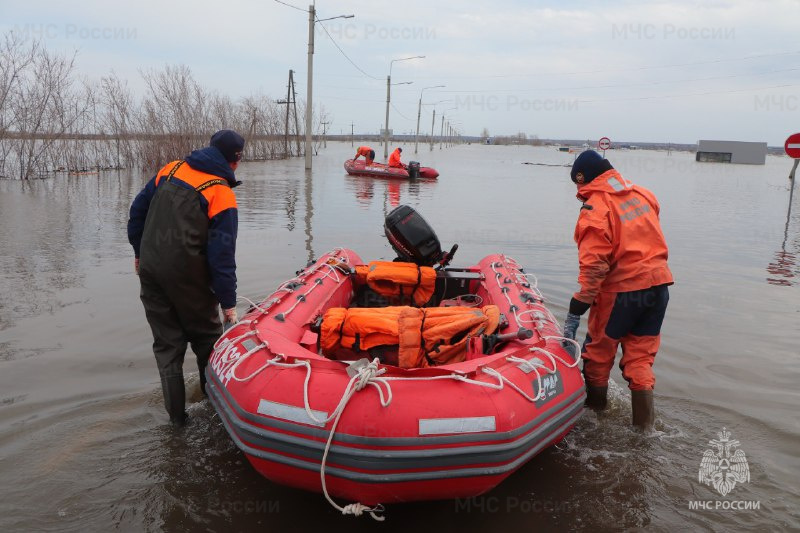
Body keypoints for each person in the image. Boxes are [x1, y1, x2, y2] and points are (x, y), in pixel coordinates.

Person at [128, 130, 245, 426]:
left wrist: (140, 253)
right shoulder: (221, 194)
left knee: (167, 346)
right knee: (208, 341)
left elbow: (137, 212)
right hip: (187, 277)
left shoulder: (171, 168)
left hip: (151, 270)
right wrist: (228, 303)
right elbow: (222, 257)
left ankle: (177, 422)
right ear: (236, 160)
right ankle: (213, 415)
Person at [562, 150, 673, 430]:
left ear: (582, 178)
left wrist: (580, 302)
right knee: (640, 359)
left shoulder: (595, 209)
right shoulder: (644, 194)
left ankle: (594, 421)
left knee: (597, 358)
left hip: (621, 293)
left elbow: (594, 265)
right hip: (658, 288)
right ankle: (645, 432)